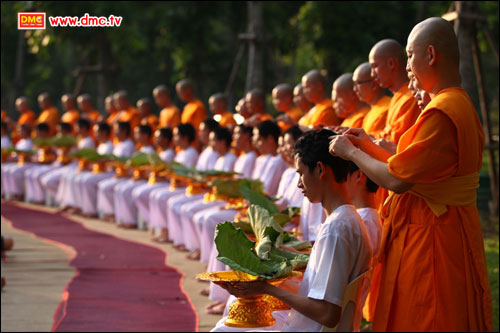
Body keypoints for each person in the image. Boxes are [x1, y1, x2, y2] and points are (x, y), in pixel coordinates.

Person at [329, 17, 492, 331]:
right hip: (439, 226)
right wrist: (367, 144)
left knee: (428, 314)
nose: (407, 67)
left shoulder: (443, 111)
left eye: (410, 56)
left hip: (433, 234)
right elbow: (409, 164)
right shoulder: (455, 104)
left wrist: (352, 153)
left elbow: (397, 180)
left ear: (430, 55)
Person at [213, 129, 372, 332]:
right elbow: (316, 294)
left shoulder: (337, 227)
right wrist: (262, 281)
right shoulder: (347, 219)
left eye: (301, 173)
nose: (299, 183)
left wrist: (265, 288)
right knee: (226, 324)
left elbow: (328, 314)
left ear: (321, 169)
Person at [148, 123, 199, 242]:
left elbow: (188, 175)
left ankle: (174, 236)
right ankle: (164, 231)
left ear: (185, 137)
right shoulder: (181, 152)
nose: (174, 138)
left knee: (165, 198)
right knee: (156, 195)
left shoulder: (191, 153)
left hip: (185, 187)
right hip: (176, 185)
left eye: (176, 135)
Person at [78, 122, 135, 218]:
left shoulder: (128, 144)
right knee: (84, 179)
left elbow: (126, 162)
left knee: (95, 183)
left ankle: (109, 213)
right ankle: (92, 209)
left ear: (124, 131)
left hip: (118, 174)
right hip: (113, 172)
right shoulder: (118, 144)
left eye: (116, 130)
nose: (114, 132)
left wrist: (106, 161)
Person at [369, 39, 420, 144]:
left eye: (375, 66)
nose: (372, 74)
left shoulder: (412, 96)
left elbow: (396, 140)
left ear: (391, 63)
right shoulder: (397, 97)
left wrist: (365, 138)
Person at [352, 62, 390, 137]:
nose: (354, 89)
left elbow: (389, 139)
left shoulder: (388, 107)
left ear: (374, 85)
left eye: (358, 83)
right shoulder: (370, 112)